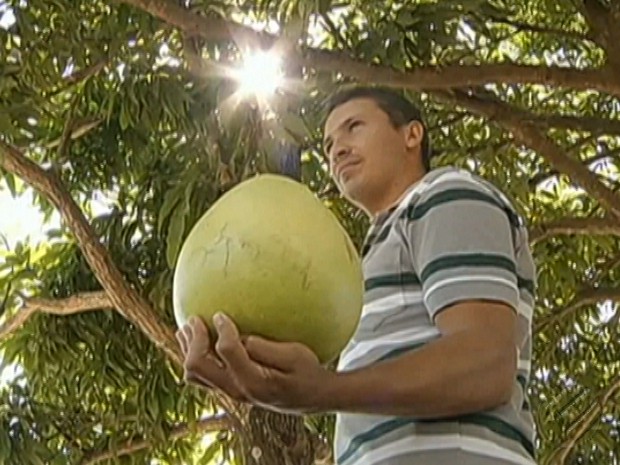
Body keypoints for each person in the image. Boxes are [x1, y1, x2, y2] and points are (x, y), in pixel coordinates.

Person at [176, 86, 538, 465]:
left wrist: (325, 390)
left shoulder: (445, 192)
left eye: (354, 127)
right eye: (329, 143)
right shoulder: (361, 270)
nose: (337, 150)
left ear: (412, 135)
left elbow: (486, 362)